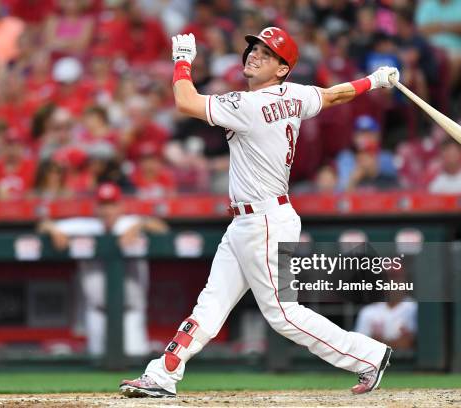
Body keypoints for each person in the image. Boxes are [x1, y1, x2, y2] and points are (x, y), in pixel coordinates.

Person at [120, 27, 397, 398]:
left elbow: (186, 102)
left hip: (264, 221)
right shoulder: (296, 95)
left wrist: (183, 61)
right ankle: (161, 376)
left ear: (282, 69)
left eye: (267, 54)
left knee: (284, 314)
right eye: (254, 48)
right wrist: (373, 81)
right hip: (250, 221)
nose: (254, 54)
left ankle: (369, 355)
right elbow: (334, 96)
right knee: (212, 302)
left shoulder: (248, 105)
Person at [37, 182, 169, 357]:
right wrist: (53, 230)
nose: (107, 210)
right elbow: (43, 225)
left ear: (121, 206)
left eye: (112, 205)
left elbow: (162, 228)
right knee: (97, 365)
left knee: (135, 361)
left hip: (129, 312)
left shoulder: (130, 223)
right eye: (103, 205)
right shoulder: (86, 226)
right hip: (96, 313)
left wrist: (140, 225)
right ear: (95, 208)